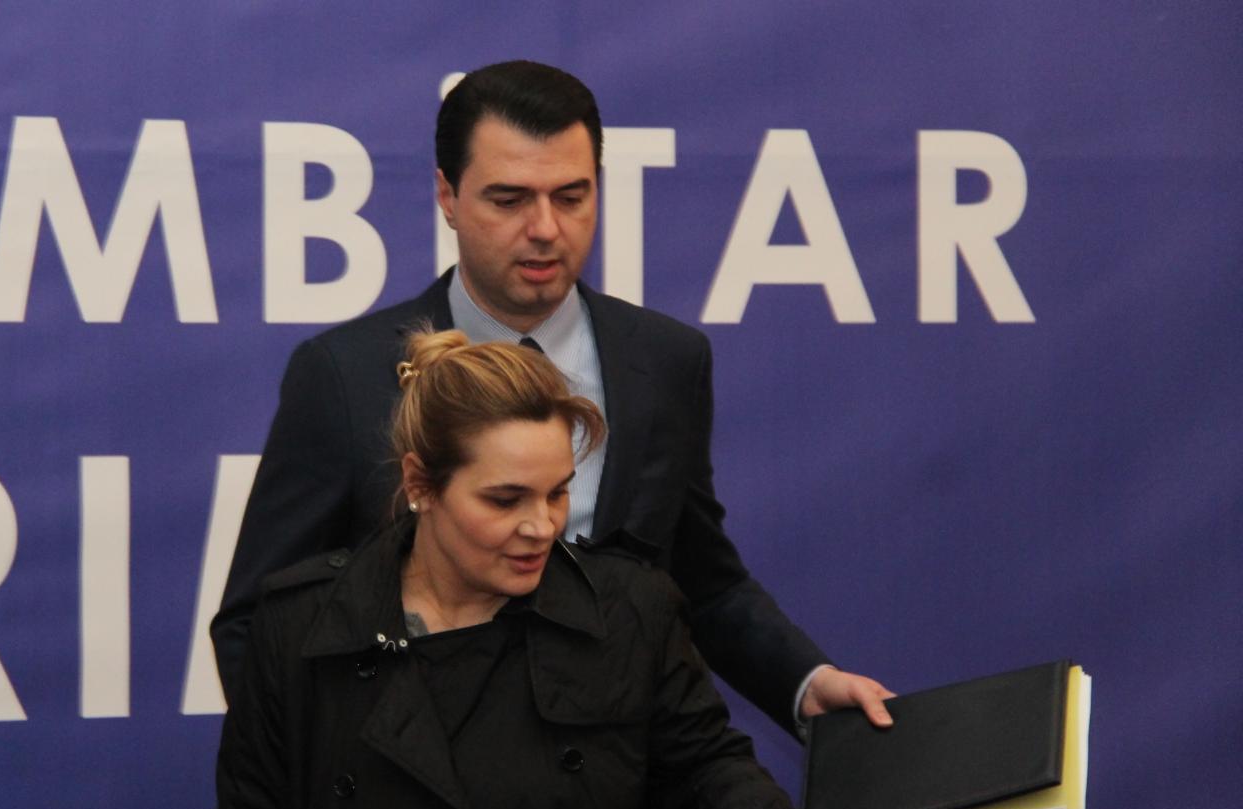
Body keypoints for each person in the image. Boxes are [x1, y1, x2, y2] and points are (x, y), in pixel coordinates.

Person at [212, 58, 891, 737]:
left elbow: (701, 581)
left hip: (619, 779)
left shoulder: (665, 362)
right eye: (509, 200)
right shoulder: (344, 375)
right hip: (414, 778)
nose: (544, 228)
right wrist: (337, 777)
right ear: (448, 196)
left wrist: (805, 682)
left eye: (570, 197)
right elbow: (257, 621)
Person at [203, 331, 806, 809]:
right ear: (420, 485)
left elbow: (702, 761)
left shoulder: (629, 610)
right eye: (505, 500)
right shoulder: (301, 626)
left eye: (557, 493)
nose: (541, 527)